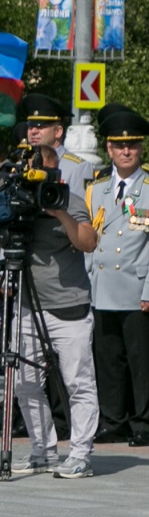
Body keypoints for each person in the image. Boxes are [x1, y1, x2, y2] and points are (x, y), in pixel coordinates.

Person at [6, 94, 103, 477]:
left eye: (45, 169)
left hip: (69, 308)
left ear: (56, 170)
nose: (39, 176)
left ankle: (80, 454)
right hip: (28, 305)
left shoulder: (71, 199)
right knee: (25, 383)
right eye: (33, 169)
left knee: (78, 382)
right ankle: (42, 450)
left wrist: (58, 210)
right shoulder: (19, 203)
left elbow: (88, 242)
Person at [85, 106, 149, 445]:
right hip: (103, 287)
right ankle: (114, 419)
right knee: (107, 358)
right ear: (108, 149)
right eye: (120, 145)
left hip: (137, 287)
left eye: (133, 145)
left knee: (140, 360)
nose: (127, 151)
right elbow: (90, 240)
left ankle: (143, 421)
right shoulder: (97, 189)